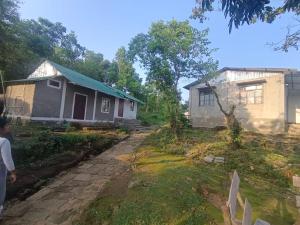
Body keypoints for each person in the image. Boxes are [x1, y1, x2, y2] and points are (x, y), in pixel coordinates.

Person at [0, 118, 16, 216]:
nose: (9, 127)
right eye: (7, 125)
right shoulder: (4, 141)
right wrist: (13, 172)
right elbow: (8, 160)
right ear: (1, 128)